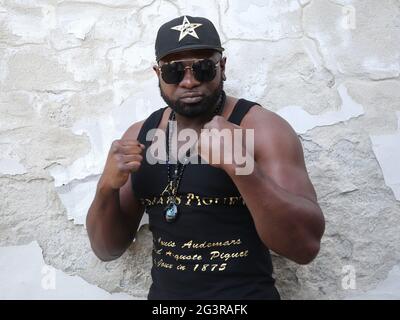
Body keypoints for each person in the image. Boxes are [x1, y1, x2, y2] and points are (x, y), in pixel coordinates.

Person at [86, 15, 325, 300]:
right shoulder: (140, 135)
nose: (189, 81)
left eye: (203, 68)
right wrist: (105, 188)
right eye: (173, 71)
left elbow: (304, 247)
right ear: (158, 74)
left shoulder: (261, 129)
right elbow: (107, 249)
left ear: (222, 67)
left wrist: (242, 168)